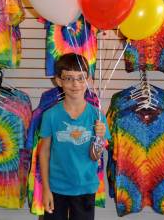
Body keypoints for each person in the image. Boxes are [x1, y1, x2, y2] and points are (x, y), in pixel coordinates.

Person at [39, 53, 110, 220]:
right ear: (58, 81)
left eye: (80, 78)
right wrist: (46, 189)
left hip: (85, 188)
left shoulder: (98, 116)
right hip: (56, 188)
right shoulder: (50, 115)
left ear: (89, 80)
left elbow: (96, 156)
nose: (75, 84)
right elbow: (44, 152)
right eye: (68, 78)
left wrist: (99, 138)